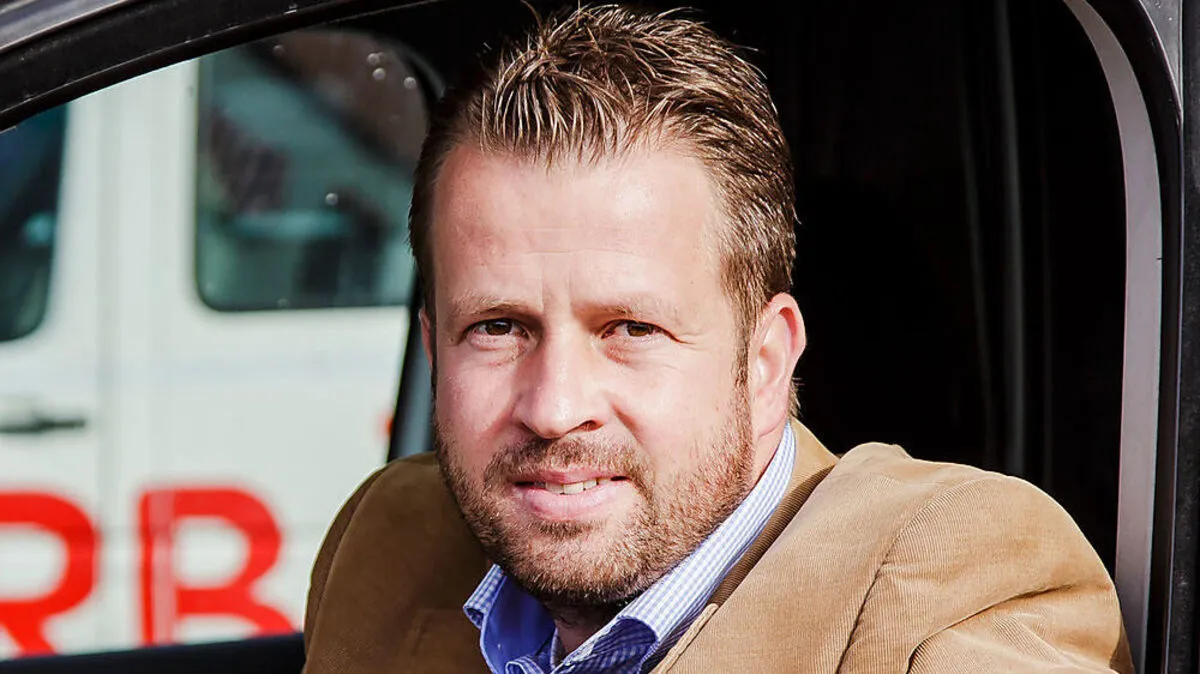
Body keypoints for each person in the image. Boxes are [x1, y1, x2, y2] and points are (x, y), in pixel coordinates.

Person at [301, 5, 1132, 672]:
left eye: (631, 328)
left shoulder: (958, 582)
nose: (554, 408)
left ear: (765, 362)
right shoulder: (390, 538)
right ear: (435, 351)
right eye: (497, 327)